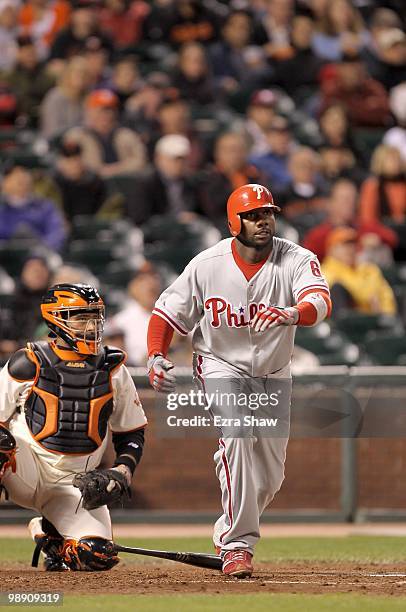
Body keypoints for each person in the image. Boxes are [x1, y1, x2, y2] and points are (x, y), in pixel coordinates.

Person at [147, 183, 332, 577]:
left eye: (268, 213)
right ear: (235, 222)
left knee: (271, 474)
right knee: (237, 434)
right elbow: (167, 313)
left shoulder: (296, 258)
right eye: (253, 215)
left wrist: (293, 313)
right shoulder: (207, 264)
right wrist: (157, 355)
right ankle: (235, 545)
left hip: (274, 371)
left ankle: (229, 524)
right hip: (219, 364)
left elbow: (320, 299)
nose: (263, 221)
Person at [0, 283, 147, 570]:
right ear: (55, 317)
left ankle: (51, 538)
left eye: (96, 316)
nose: (91, 325)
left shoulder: (113, 367)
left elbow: (131, 431)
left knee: (96, 555)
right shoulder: (26, 362)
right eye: (81, 316)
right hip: (25, 471)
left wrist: (122, 470)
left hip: (75, 484)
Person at [65, 89, 146, 178]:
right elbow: (68, 163)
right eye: (101, 110)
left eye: (110, 110)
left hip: (124, 182)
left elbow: (141, 160)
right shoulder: (77, 136)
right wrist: (96, 170)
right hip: (88, 184)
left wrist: (115, 169)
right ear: (89, 111)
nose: (106, 114)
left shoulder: (126, 134)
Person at [321, 227, 396, 317]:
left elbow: (387, 298)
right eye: (344, 245)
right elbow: (361, 295)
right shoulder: (324, 271)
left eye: (353, 245)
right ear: (331, 250)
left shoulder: (369, 269)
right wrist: (368, 297)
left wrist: (385, 316)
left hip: (375, 321)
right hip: (345, 325)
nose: (350, 249)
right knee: (337, 289)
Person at [0, 164, 66, 252]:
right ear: (4, 183)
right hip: (6, 258)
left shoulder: (45, 206)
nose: (21, 177)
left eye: (24, 173)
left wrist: (41, 251)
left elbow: (57, 232)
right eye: (14, 174)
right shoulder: (2, 209)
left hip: (42, 256)